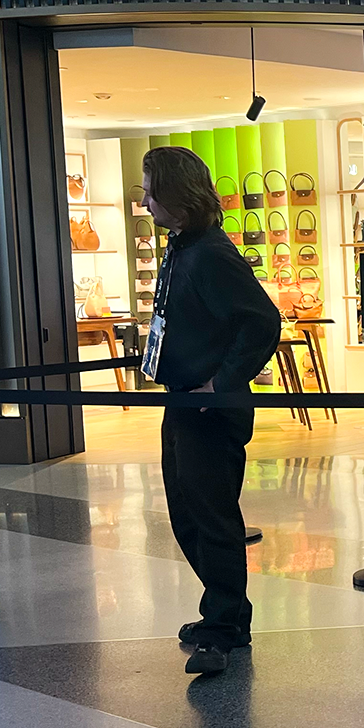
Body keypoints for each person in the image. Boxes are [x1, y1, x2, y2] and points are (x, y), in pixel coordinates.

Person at [139, 147, 283, 676]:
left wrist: (220, 382)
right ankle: (225, 613)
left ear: (181, 194)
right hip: (180, 401)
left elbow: (262, 322)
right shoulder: (182, 247)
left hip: (208, 409)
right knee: (186, 514)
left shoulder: (210, 254)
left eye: (154, 189)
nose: (147, 200)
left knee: (212, 517)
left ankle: (223, 626)